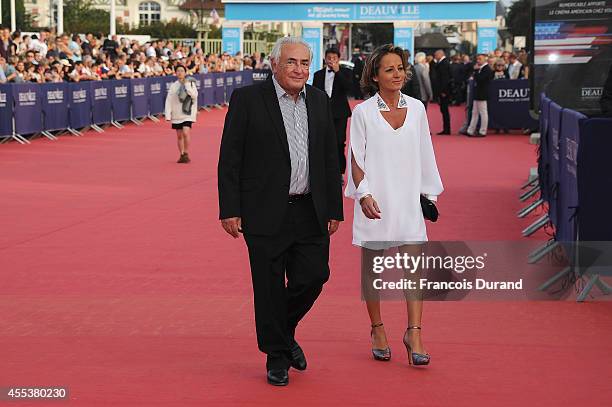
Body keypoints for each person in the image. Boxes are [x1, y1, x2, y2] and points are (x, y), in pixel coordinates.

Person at [217, 36, 343, 387]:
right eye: (291, 62)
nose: (299, 69)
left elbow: (329, 158)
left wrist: (334, 206)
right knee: (269, 287)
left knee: (314, 276)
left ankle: (283, 334)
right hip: (263, 209)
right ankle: (277, 355)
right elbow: (230, 158)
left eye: (305, 63)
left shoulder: (319, 100)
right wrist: (230, 208)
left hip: (310, 208)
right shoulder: (247, 100)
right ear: (274, 64)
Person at [345, 44, 443, 366]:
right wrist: (364, 194)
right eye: (389, 69)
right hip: (375, 201)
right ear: (375, 76)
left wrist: (429, 194)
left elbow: (426, 151)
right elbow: (356, 158)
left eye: (400, 68)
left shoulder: (417, 109)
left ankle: (414, 333)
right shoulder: (362, 112)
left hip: (408, 200)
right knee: (373, 272)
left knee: (414, 272)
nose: (397, 74)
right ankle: (377, 329)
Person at [313, 47, 352, 175]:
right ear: (325, 58)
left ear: (339, 59)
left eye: (334, 58)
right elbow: (314, 93)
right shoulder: (318, 74)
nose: (331, 60)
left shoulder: (345, 72)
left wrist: (337, 72)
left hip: (340, 113)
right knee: (323, 141)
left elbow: (349, 88)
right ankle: (324, 170)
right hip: (322, 113)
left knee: (339, 142)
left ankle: (340, 172)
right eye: (329, 58)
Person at [165, 65, 198, 163]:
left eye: (182, 71)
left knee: (185, 132)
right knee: (179, 136)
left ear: (185, 72)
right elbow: (169, 100)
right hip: (176, 114)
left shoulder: (191, 83)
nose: (180, 73)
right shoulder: (173, 85)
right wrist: (168, 114)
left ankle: (186, 152)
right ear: (175, 73)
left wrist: (186, 86)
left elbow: (194, 96)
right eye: (178, 71)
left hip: (187, 113)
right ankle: (182, 154)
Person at [467, 54, 494, 137]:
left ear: (485, 60)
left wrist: (475, 72)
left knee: (483, 113)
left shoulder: (487, 69)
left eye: (480, 59)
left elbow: (480, 79)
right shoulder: (481, 69)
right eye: (477, 59)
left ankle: (483, 131)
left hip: (482, 94)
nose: (478, 61)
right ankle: (470, 130)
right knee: (474, 112)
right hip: (478, 93)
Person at [431, 49, 452, 134]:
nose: (435, 57)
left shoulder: (444, 63)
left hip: (444, 91)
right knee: (443, 110)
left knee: (444, 110)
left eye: (436, 55)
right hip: (443, 90)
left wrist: (443, 91)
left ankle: (447, 130)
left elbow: (445, 79)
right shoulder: (443, 63)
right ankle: (446, 129)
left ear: (440, 54)